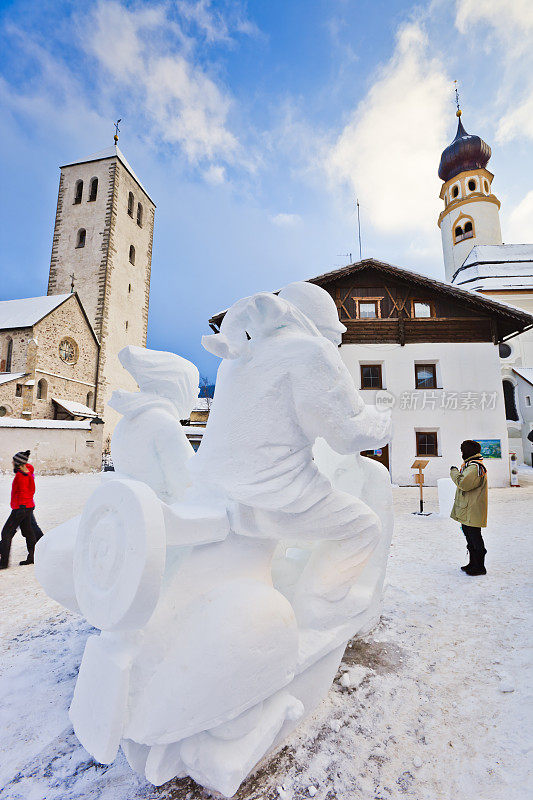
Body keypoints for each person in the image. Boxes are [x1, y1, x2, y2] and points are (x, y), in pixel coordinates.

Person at [450, 440, 488, 576]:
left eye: (463, 450)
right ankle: (473, 563)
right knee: (469, 535)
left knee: (475, 536)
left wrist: (453, 472)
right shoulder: (471, 465)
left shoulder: (474, 467)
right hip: (469, 507)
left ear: (467, 451)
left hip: (473, 508)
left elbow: (463, 484)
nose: (461, 453)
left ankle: (479, 567)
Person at [0, 450, 39, 569]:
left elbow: (23, 492)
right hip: (27, 506)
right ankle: (33, 557)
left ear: (18, 463)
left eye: (14, 460)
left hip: (21, 508)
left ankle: (4, 563)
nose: (12, 462)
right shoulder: (28, 472)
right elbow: (32, 490)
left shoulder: (21, 476)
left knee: (6, 532)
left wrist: (20, 507)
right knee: (28, 531)